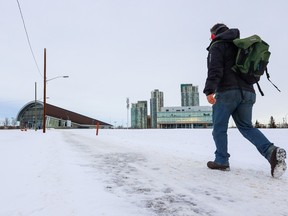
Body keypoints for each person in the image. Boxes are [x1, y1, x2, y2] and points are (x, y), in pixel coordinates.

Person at [203, 23, 287, 178]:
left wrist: (209, 90)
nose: (210, 38)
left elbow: (215, 69)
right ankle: (272, 152)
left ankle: (221, 160)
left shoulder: (218, 46)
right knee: (247, 127)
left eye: (211, 35)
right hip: (248, 92)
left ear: (214, 34)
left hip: (228, 92)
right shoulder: (240, 46)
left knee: (219, 128)